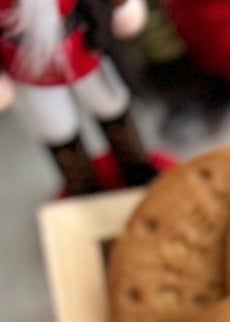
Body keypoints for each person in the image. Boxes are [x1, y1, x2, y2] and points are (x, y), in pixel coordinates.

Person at [0, 0, 156, 197]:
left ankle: (139, 173)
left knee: (110, 105)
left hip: (83, 45)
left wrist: (122, 6)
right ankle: (84, 189)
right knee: (55, 128)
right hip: (28, 63)